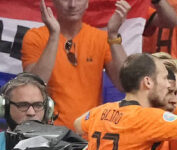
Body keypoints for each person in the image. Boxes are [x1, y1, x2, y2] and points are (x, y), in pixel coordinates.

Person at [21, 0, 129, 129]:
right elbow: (33, 87)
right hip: (48, 132)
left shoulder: (100, 38)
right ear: (54, 2)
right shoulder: (35, 37)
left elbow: (125, 85)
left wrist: (113, 35)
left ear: (87, 3)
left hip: (88, 132)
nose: (72, 4)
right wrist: (54, 35)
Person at [0, 73, 54, 150]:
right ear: (5, 108)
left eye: (38, 105)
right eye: (23, 105)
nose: (31, 113)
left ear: (47, 109)